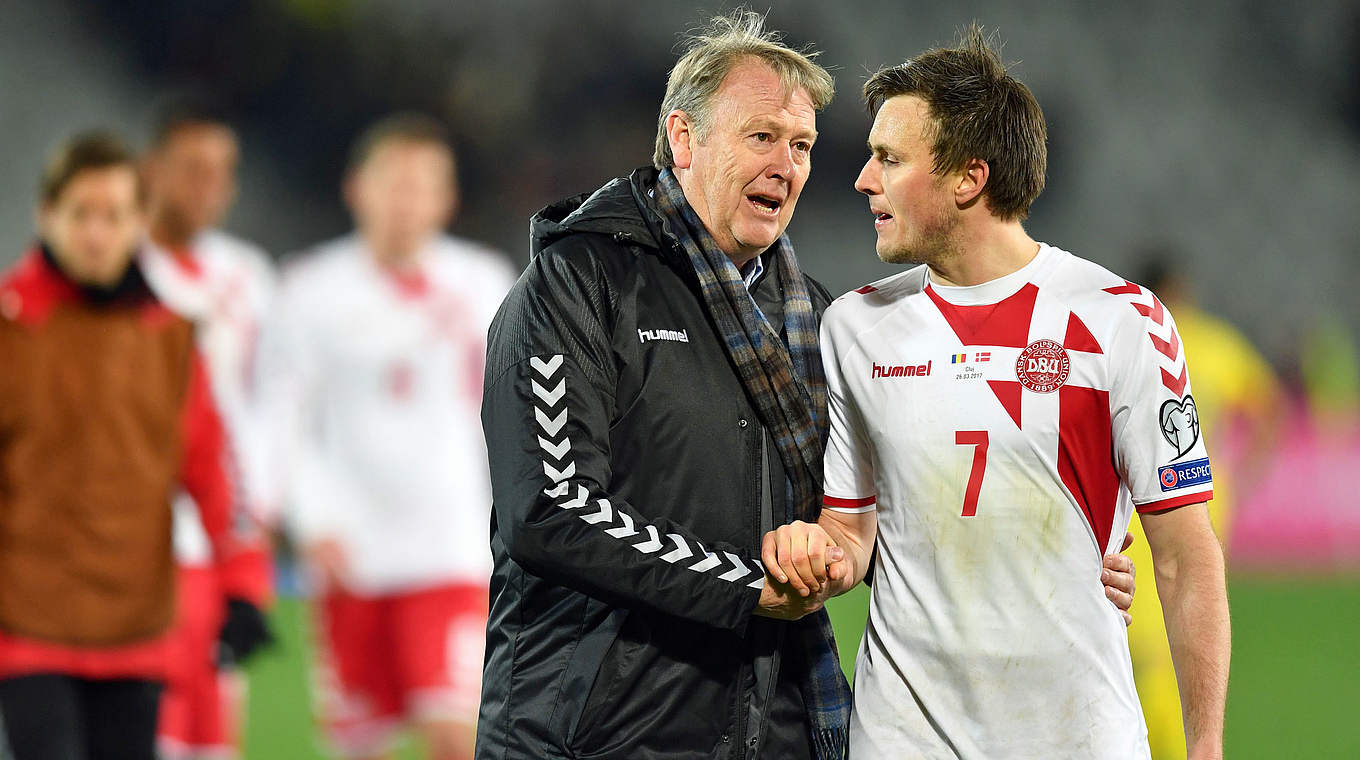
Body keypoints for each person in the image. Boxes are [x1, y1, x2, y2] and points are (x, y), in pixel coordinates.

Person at [477, 12, 1136, 760]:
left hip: (774, 729)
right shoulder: (579, 283)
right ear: (684, 140)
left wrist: (1060, 556)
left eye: (802, 147)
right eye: (762, 137)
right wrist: (745, 584)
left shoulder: (820, 321)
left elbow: (878, 514)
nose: (787, 165)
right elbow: (551, 510)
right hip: (593, 735)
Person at [762, 27, 1230, 760]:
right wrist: (810, 555)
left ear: (967, 179)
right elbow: (851, 534)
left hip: (1077, 737)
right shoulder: (854, 327)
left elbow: (1182, 556)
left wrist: (1205, 747)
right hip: (902, 740)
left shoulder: (1122, 320)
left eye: (889, 159)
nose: (862, 179)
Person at [256, 113, 516, 760]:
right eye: (392, 183)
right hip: (351, 558)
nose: (405, 201)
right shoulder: (307, 289)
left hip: (452, 549)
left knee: (456, 739)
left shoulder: (484, 283)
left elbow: (513, 416)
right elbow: (280, 416)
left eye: (422, 185)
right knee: (359, 749)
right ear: (356, 189)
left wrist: (513, 521)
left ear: (447, 198)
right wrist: (311, 520)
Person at [0, 132, 265, 760]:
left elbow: (214, 471)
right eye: (80, 215)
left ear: (139, 223)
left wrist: (244, 585)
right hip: (28, 627)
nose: (96, 234)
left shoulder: (171, 339)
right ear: (46, 216)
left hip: (139, 630)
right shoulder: (10, 331)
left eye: (113, 216)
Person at [140, 97, 276, 760]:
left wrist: (263, 506)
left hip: (223, 539)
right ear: (151, 171)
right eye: (192, 168)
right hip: (140, 538)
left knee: (215, 736)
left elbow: (265, 403)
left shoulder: (249, 277)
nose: (209, 186)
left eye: (223, 170)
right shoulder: (118, 269)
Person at [1121, 253, 1280, 759]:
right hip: (1206, 501)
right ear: (1181, 287)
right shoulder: (1212, 342)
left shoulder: (1129, 339)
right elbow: (1269, 408)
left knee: (1148, 645)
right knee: (1176, 631)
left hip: (1146, 507)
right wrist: (1239, 475)